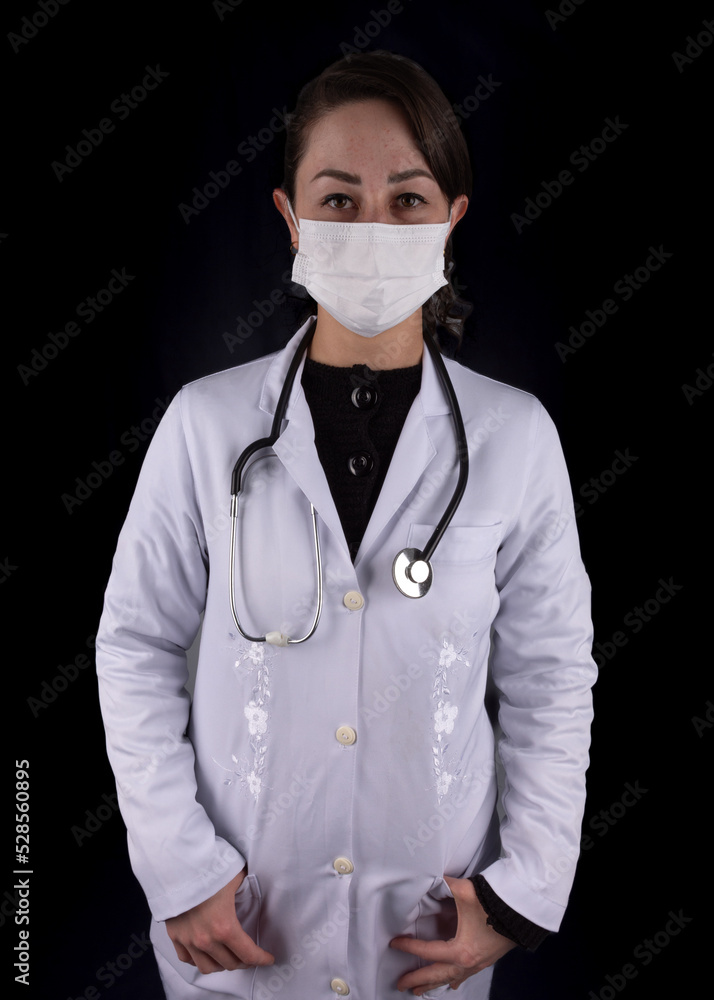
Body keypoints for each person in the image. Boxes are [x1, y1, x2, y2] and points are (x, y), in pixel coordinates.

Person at [96, 51, 597, 1000]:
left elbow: (551, 679)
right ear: (291, 218)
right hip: (240, 928)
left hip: (429, 936)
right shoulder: (206, 425)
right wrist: (181, 870)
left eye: (407, 201)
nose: (372, 228)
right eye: (337, 200)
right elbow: (136, 646)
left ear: (452, 218)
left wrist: (519, 895)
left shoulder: (516, 437)